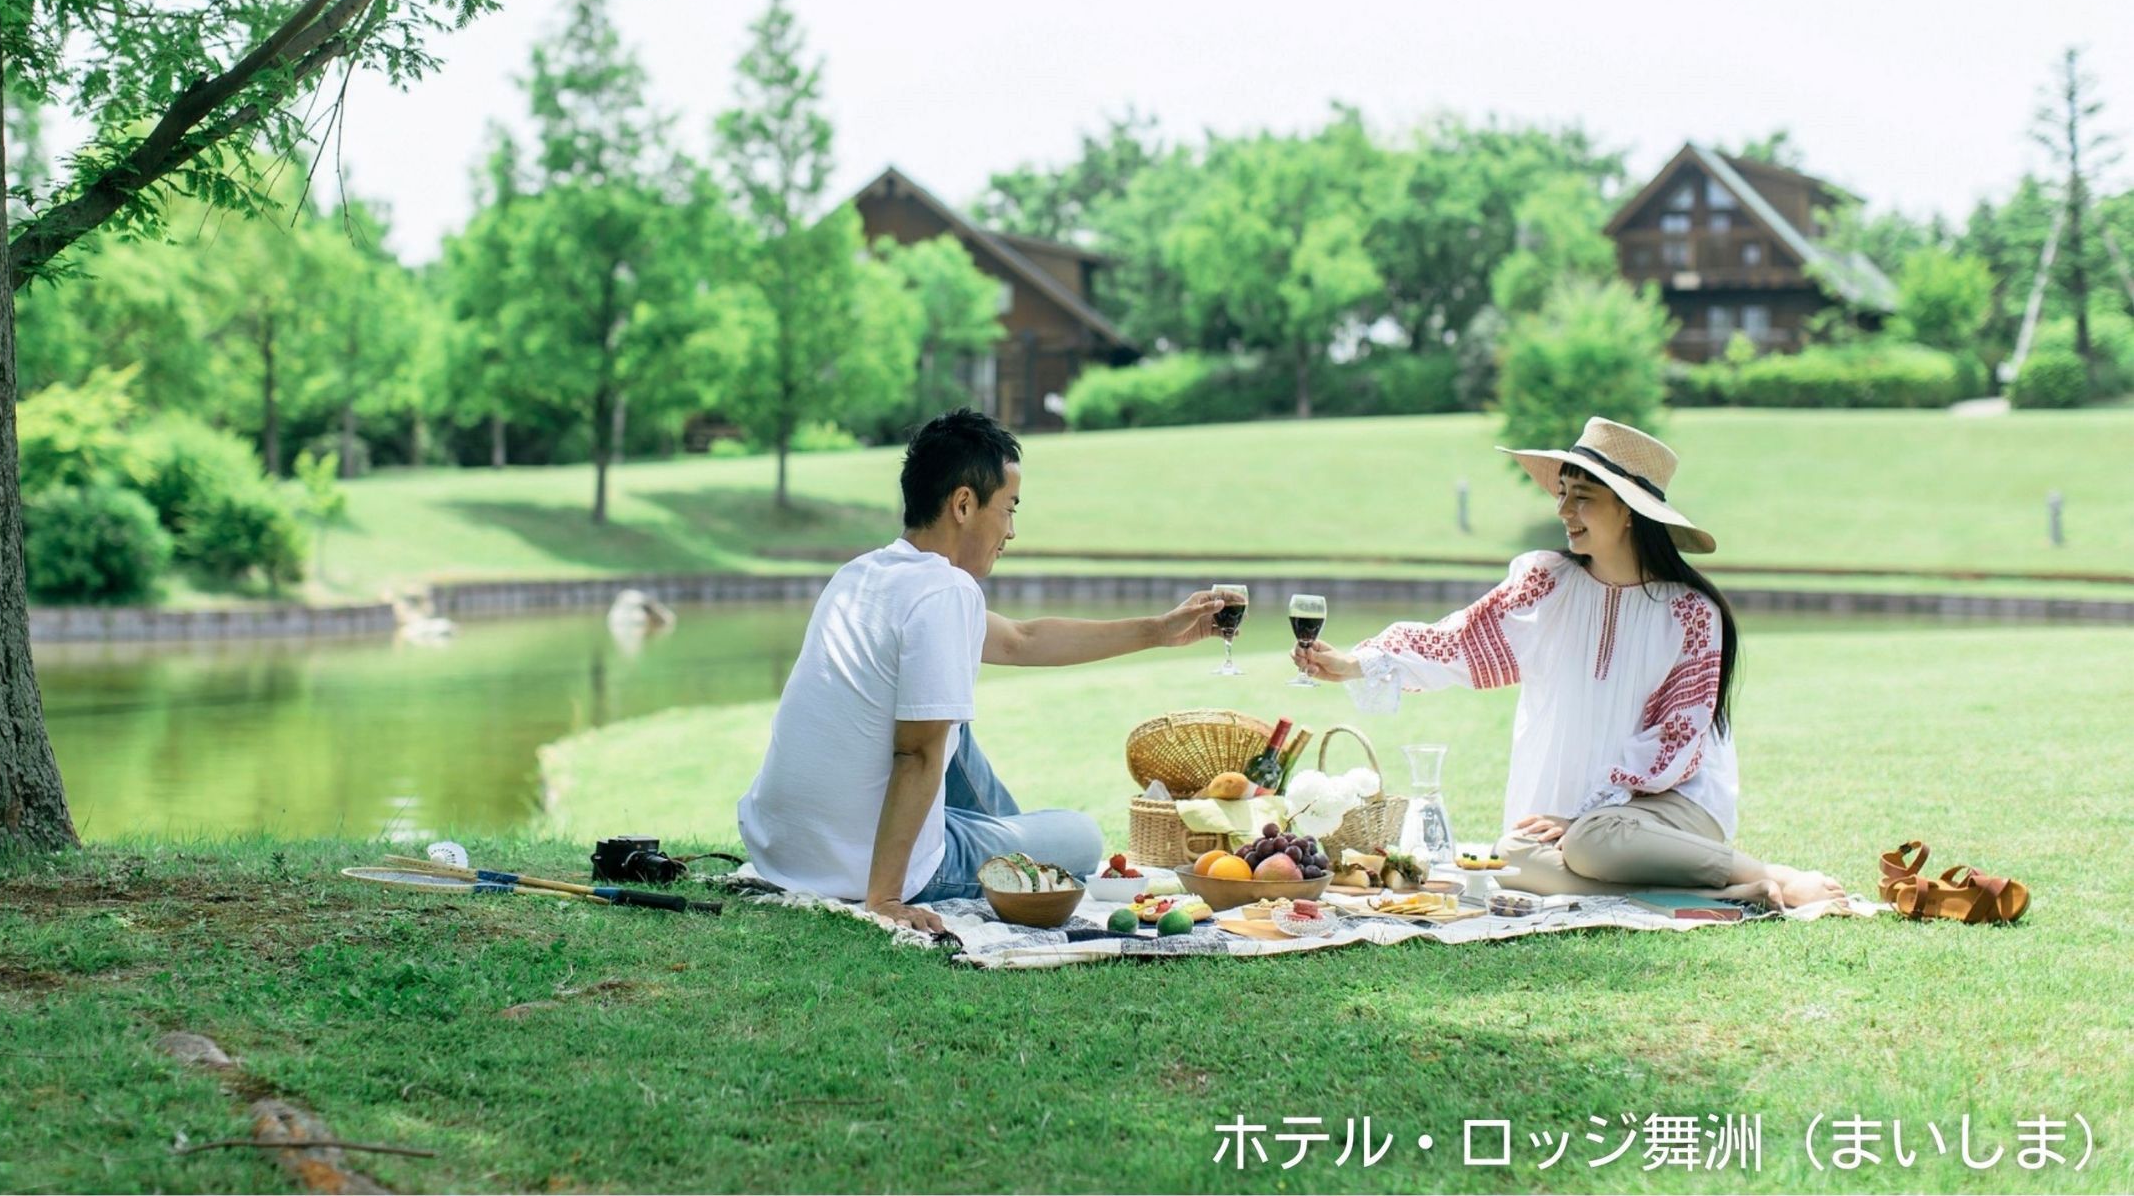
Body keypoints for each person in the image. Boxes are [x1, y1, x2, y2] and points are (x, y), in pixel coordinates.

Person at [1296, 417, 1846, 911]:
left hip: (1666, 813)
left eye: (1581, 496)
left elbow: (1675, 743)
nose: (1563, 511)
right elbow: (1460, 641)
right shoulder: (1546, 585)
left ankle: (1772, 876)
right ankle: (1721, 893)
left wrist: (1587, 816)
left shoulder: (1691, 614)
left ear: (1628, 511)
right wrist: (1359, 664)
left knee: (1591, 842)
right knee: (1510, 857)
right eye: (1562, 494)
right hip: (1575, 826)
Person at [739, 408, 1229, 933]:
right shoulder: (943, 593)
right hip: (860, 866)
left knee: (950, 720)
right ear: (964, 504)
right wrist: (884, 899)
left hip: (787, 849)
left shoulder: (863, 574)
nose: (1011, 531)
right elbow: (916, 753)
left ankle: (1012, 851)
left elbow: (1022, 639)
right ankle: (1018, 863)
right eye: (1009, 509)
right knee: (1080, 837)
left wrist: (1159, 630)